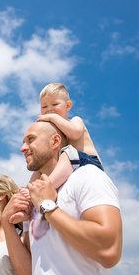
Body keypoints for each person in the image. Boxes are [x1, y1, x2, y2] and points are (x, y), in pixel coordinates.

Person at [2, 121, 122, 275]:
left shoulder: (88, 175)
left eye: (31, 139)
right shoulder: (35, 199)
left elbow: (110, 251)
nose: (22, 148)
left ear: (55, 141)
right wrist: (6, 222)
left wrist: (47, 206)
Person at [9, 82, 103, 224]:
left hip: (88, 161)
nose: (49, 110)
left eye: (55, 104)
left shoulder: (74, 121)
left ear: (68, 106)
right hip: (70, 166)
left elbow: (75, 133)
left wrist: (53, 118)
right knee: (39, 170)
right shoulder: (54, 128)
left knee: (67, 152)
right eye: (44, 107)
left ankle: (46, 186)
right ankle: (30, 194)